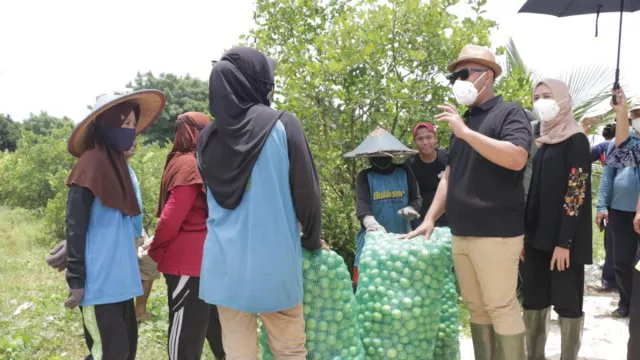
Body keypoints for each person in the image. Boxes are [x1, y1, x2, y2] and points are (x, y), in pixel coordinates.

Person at [196, 46, 327, 360]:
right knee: (289, 350)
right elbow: (307, 194)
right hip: (275, 263)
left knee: (238, 352)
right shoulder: (283, 125)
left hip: (224, 266)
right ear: (253, 82)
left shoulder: (206, 138)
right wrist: (310, 240)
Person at [405, 44, 532, 359]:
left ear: (487, 76)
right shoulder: (464, 122)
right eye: (454, 76)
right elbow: (448, 177)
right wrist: (430, 218)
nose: (457, 80)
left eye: (464, 73)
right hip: (462, 232)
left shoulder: (509, 112)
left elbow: (517, 158)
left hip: (497, 232)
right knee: (476, 307)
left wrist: (464, 132)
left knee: (501, 306)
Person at [63, 90, 165, 360]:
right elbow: (75, 223)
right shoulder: (90, 164)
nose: (131, 131)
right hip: (99, 284)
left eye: (133, 125)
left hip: (122, 280)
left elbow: (123, 221)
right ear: (108, 124)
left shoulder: (119, 167)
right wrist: (76, 277)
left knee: (126, 351)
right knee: (109, 353)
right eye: (125, 124)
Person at [45, 139, 161, 323]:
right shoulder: (95, 170)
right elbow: (81, 218)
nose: (132, 140)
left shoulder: (126, 171)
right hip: (116, 243)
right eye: (125, 129)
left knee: (143, 271)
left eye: (132, 129)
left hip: (134, 231)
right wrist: (74, 245)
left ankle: (136, 312)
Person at [521, 79, 592, 360]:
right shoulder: (543, 140)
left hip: (564, 241)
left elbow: (577, 192)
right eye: (536, 97)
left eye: (547, 95)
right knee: (534, 300)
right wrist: (525, 236)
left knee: (567, 303)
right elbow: (533, 194)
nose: (540, 101)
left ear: (563, 99)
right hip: (537, 238)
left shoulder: (576, 140)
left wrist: (565, 242)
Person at [147, 112, 225, 360]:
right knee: (189, 335)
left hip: (196, 263)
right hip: (190, 266)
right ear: (197, 133)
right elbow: (172, 217)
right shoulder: (190, 164)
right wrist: (157, 246)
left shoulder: (184, 161)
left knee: (208, 327)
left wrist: (156, 246)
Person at [345, 126, 422, 289]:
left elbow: (416, 199)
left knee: (401, 285)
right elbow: (362, 207)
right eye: (375, 154)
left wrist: (411, 209)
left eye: (384, 153)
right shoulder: (365, 177)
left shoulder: (405, 171)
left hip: (402, 240)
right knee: (370, 288)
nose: (380, 157)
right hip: (373, 244)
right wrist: (372, 224)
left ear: (392, 153)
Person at [596, 91, 640, 318]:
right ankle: (626, 303)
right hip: (621, 212)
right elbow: (608, 177)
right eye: (637, 114)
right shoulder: (619, 142)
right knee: (622, 261)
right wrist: (602, 206)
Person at [404, 122, 447, 229]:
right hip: (420, 218)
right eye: (420, 139)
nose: (425, 142)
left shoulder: (447, 158)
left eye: (429, 137)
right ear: (415, 142)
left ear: (435, 138)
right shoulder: (409, 165)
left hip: (448, 216)